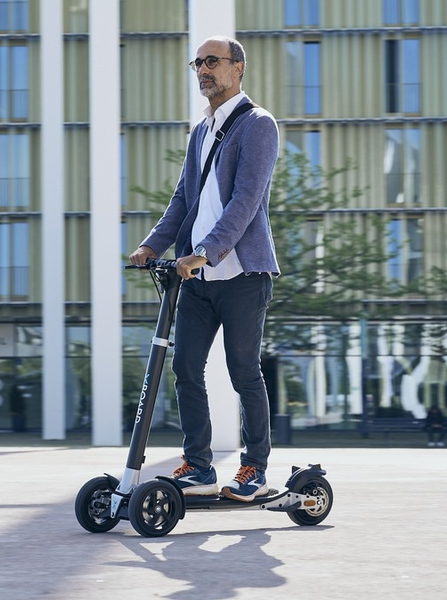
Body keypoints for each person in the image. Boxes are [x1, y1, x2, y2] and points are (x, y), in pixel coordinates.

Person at [129, 36, 279, 502]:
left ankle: (253, 467)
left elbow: (245, 201)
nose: (203, 70)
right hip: (195, 277)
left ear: (238, 68)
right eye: (198, 63)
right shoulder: (201, 131)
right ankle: (199, 465)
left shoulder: (257, 124)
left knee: (243, 372)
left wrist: (207, 251)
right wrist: (152, 245)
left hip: (241, 274)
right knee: (186, 369)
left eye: (212, 62)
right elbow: (183, 201)